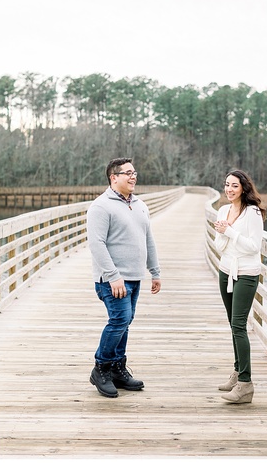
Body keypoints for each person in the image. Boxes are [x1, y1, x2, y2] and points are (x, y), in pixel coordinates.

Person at [87, 158, 161, 398]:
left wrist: (155, 271)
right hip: (112, 279)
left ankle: (118, 369)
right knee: (120, 320)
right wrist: (113, 276)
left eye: (134, 172)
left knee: (125, 323)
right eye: (127, 173)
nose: (133, 177)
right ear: (113, 177)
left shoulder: (140, 205)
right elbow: (96, 244)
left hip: (135, 276)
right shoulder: (101, 206)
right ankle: (101, 368)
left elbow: (147, 238)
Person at [214, 169, 266, 404]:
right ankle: (237, 372)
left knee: (238, 325)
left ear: (244, 187)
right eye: (226, 185)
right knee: (232, 324)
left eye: (234, 185)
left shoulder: (252, 212)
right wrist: (225, 234)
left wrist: (230, 232)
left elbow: (254, 247)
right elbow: (219, 244)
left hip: (246, 273)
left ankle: (246, 384)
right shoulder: (223, 210)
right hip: (226, 271)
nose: (229, 189)